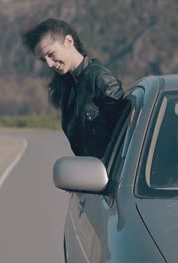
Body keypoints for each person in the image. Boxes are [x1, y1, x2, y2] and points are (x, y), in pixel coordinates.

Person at [21, 18, 126, 158]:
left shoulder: (101, 80)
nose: (49, 64)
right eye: (43, 59)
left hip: (105, 176)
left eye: (51, 54)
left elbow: (125, 141)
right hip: (87, 174)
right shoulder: (66, 85)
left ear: (69, 42)